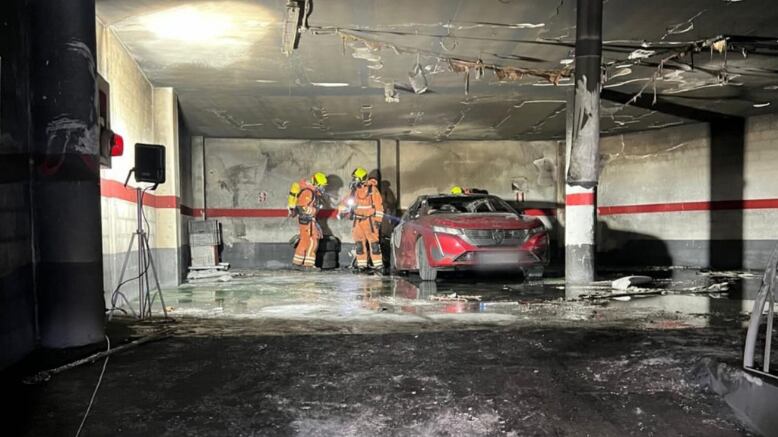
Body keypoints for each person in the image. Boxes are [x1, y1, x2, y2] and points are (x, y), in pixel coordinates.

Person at [339, 167, 384, 273]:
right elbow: (345, 202)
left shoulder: (372, 190)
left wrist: (378, 220)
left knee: (374, 244)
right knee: (359, 245)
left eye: (355, 178)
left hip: (370, 221)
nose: (354, 180)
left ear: (361, 178)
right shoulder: (354, 191)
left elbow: (379, 205)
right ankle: (361, 265)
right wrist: (341, 211)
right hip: (357, 221)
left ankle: (378, 266)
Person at [291, 172, 327, 269]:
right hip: (308, 221)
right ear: (316, 183)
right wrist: (314, 210)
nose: (323, 188)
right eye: (322, 186)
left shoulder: (312, 192)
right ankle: (309, 265)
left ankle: (297, 263)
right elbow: (302, 206)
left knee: (304, 241)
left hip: (305, 221)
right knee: (312, 241)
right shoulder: (308, 192)